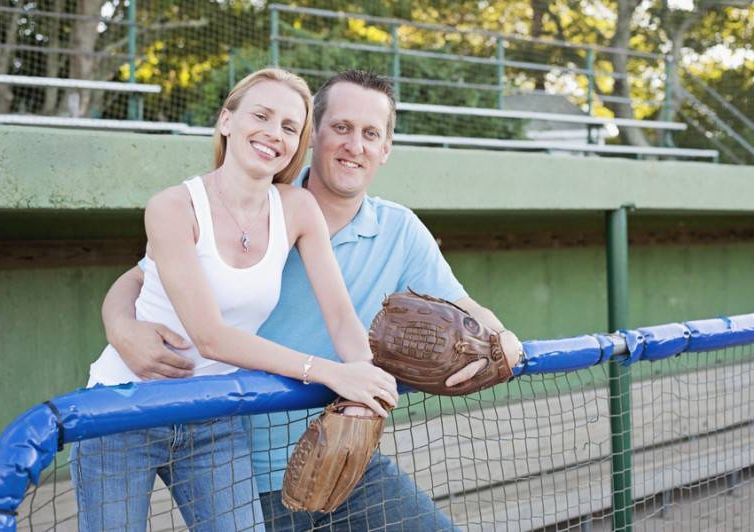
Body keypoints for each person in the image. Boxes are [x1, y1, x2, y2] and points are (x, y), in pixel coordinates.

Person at [101, 70, 522, 531]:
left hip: (345, 453)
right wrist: (120, 329)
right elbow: (143, 279)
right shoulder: (249, 203)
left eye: (370, 134)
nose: (354, 145)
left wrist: (504, 339)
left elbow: (463, 306)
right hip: (245, 463)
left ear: (385, 148)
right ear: (314, 136)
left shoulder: (397, 229)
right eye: (340, 128)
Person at [70, 68, 399, 532]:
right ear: (227, 120)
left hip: (215, 418)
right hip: (124, 413)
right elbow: (210, 337)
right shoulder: (172, 206)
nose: (273, 134)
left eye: (289, 126)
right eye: (261, 115)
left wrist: (364, 381)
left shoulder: (298, 209)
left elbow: (342, 318)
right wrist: (330, 372)